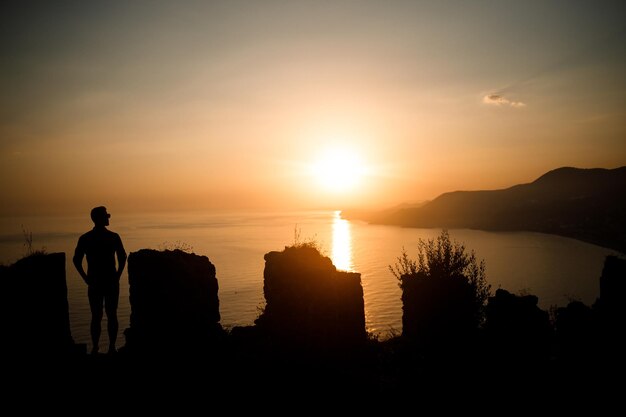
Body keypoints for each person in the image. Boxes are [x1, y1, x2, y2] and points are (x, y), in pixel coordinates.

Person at [73, 206, 126, 355]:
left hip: (95, 282)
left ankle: (96, 348)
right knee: (112, 314)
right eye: (106, 216)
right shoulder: (114, 237)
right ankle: (111, 348)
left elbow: (76, 260)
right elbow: (123, 257)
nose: (109, 218)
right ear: (100, 219)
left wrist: (85, 278)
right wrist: (118, 275)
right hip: (110, 281)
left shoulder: (85, 238)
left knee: (96, 316)